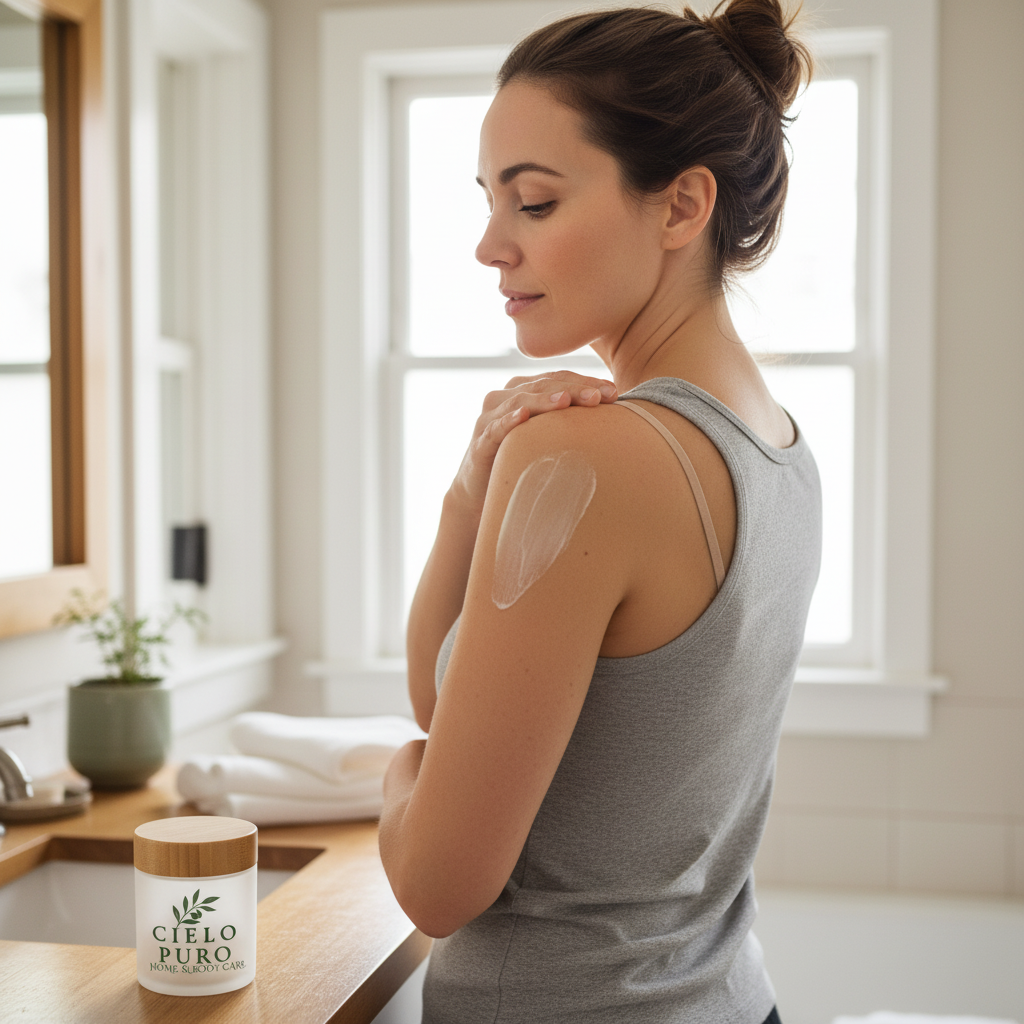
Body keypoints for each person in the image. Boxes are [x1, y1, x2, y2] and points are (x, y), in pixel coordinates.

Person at [379, 2, 821, 1021]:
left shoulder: (586, 456)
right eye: (489, 202)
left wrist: (402, 779)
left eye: (532, 204)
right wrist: (469, 484)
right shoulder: (780, 446)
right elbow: (451, 703)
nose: (490, 245)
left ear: (679, 208)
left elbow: (437, 882)